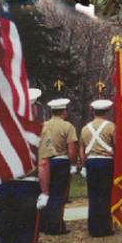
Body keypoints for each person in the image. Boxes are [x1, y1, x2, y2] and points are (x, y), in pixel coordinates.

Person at [0, 88, 55, 243]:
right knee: (26, 234)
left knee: (5, 233)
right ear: (32, 107)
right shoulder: (40, 128)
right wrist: (45, 192)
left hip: (3, 185)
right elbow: (43, 163)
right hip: (28, 186)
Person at [40, 97, 78, 235]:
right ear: (64, 111)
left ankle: (44, 224)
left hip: (45, 161)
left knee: (46, 193)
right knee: (59, 195)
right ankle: (56, 226)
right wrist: (73, 164)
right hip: (61, 161)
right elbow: (72, 148)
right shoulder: (68, 126)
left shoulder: (43, 125)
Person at [79, 99, 115, 237]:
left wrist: (84, 165)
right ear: (106, 111)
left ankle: (93, 228)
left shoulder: (85, 128)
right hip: (106, 162)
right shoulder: (111, 127)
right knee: (105, 195)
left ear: (93, 111)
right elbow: (116, 146)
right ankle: (105, 227)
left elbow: (82, 150)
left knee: (93, 195)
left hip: (91, 162)